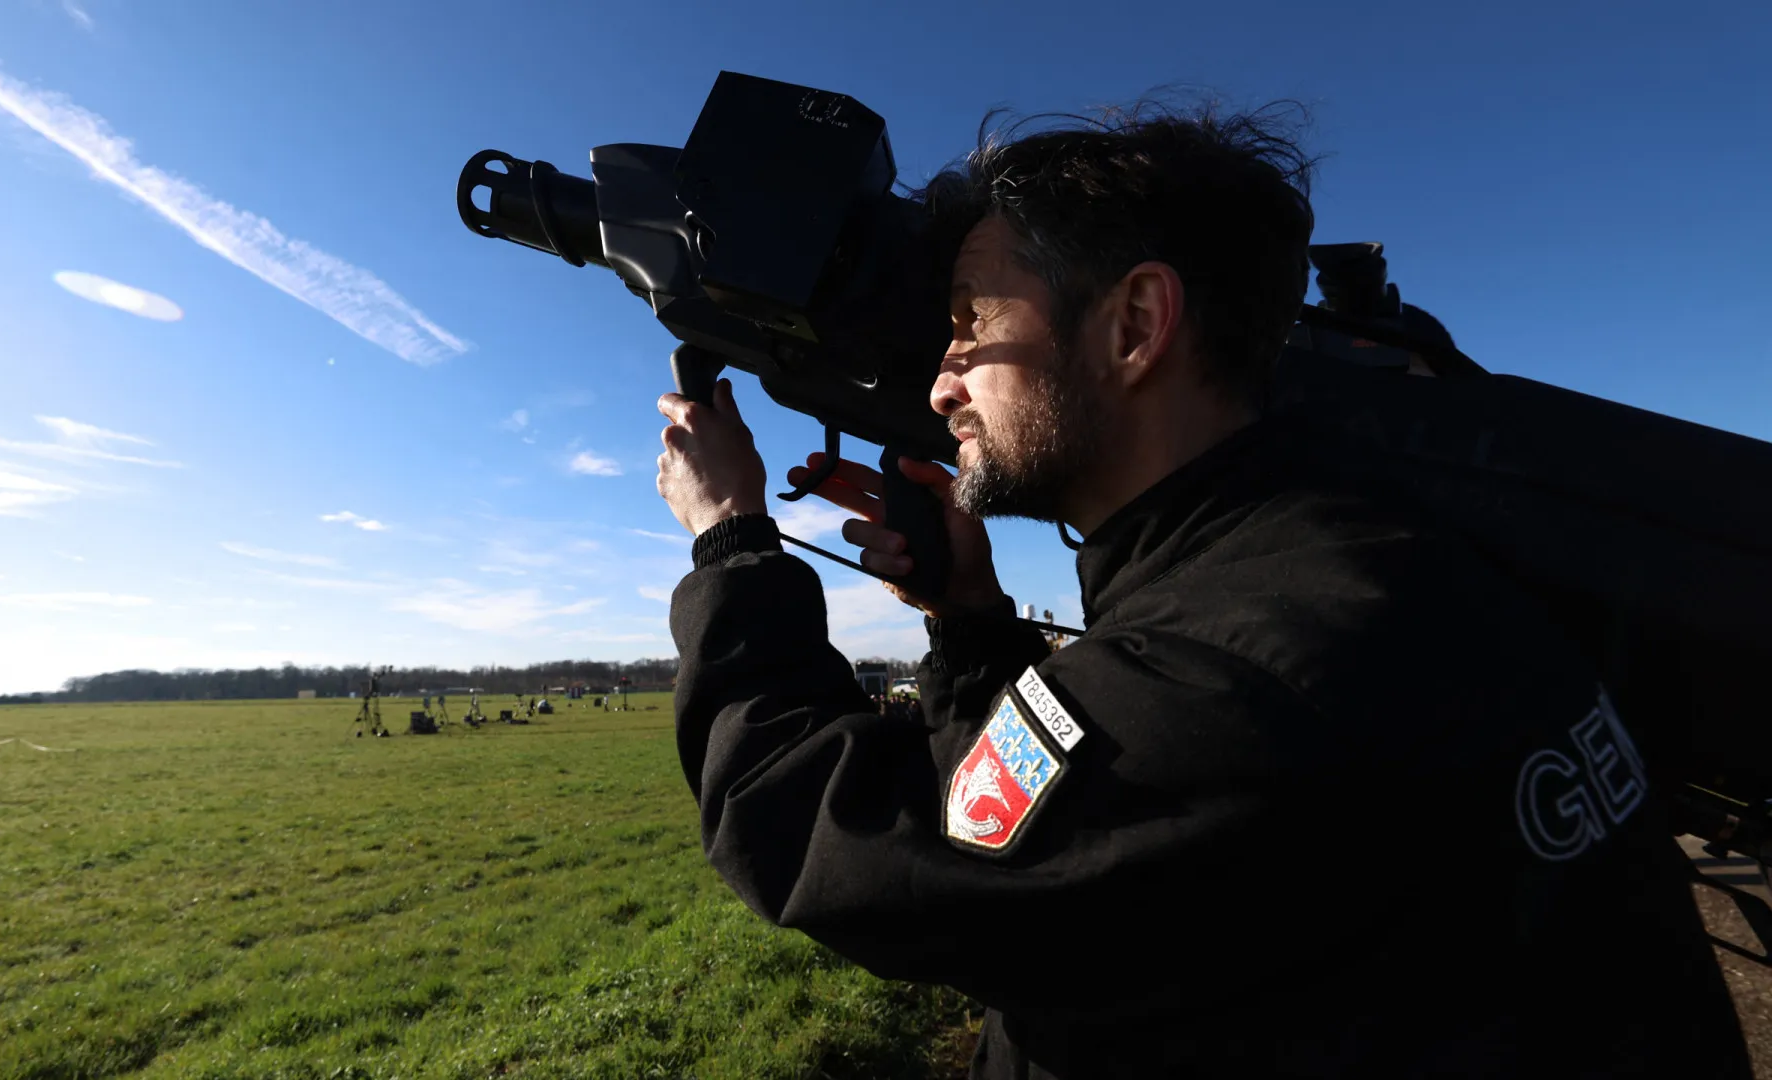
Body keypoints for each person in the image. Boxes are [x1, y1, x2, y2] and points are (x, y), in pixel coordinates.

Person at [652, 101, 1748, 1078]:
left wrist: (733, 541)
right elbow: (1078, 832)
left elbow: (823, 839)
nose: (941, 380)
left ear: (1135, 326)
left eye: (971, 323)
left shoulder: (1232, 677)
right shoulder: (1372, 564)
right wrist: (973, 621)